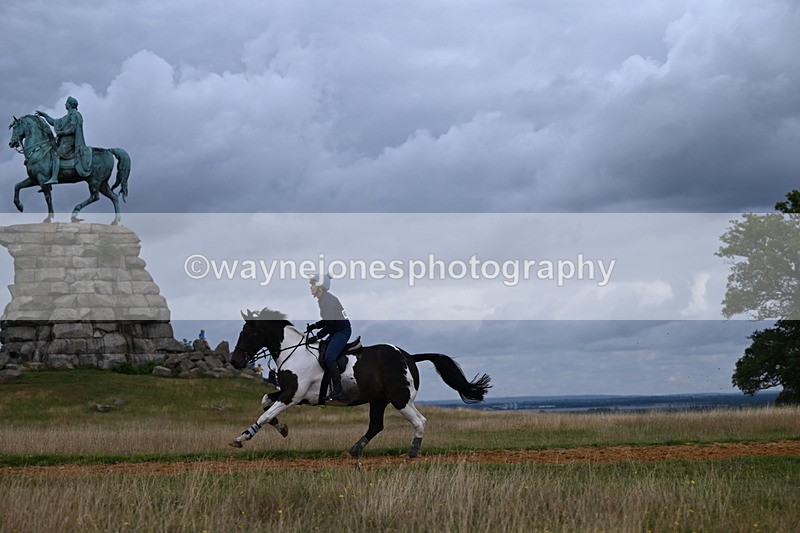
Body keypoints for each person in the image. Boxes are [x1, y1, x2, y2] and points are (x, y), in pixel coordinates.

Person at [307, 273, 351, 403]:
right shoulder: (323, 299)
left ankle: (338, 390)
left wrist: (317, 336)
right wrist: (315, 326)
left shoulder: (328, 301)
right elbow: (327, 320)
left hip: (342, 331)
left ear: (320, 287)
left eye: (313, 284)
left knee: (329, 357)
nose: (310, 287)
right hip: (335, 330)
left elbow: (330, 325)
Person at [35, 96, 92, 183]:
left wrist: (61, 133)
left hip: (70, 142)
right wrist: (44, 115)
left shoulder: (74, 115)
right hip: (64, 142)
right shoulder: (67, 116)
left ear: (70, 104)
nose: (65, 104)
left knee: (56, 154)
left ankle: (54, 177)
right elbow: (54, 122)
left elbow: (72, 129)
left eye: (66, 103)